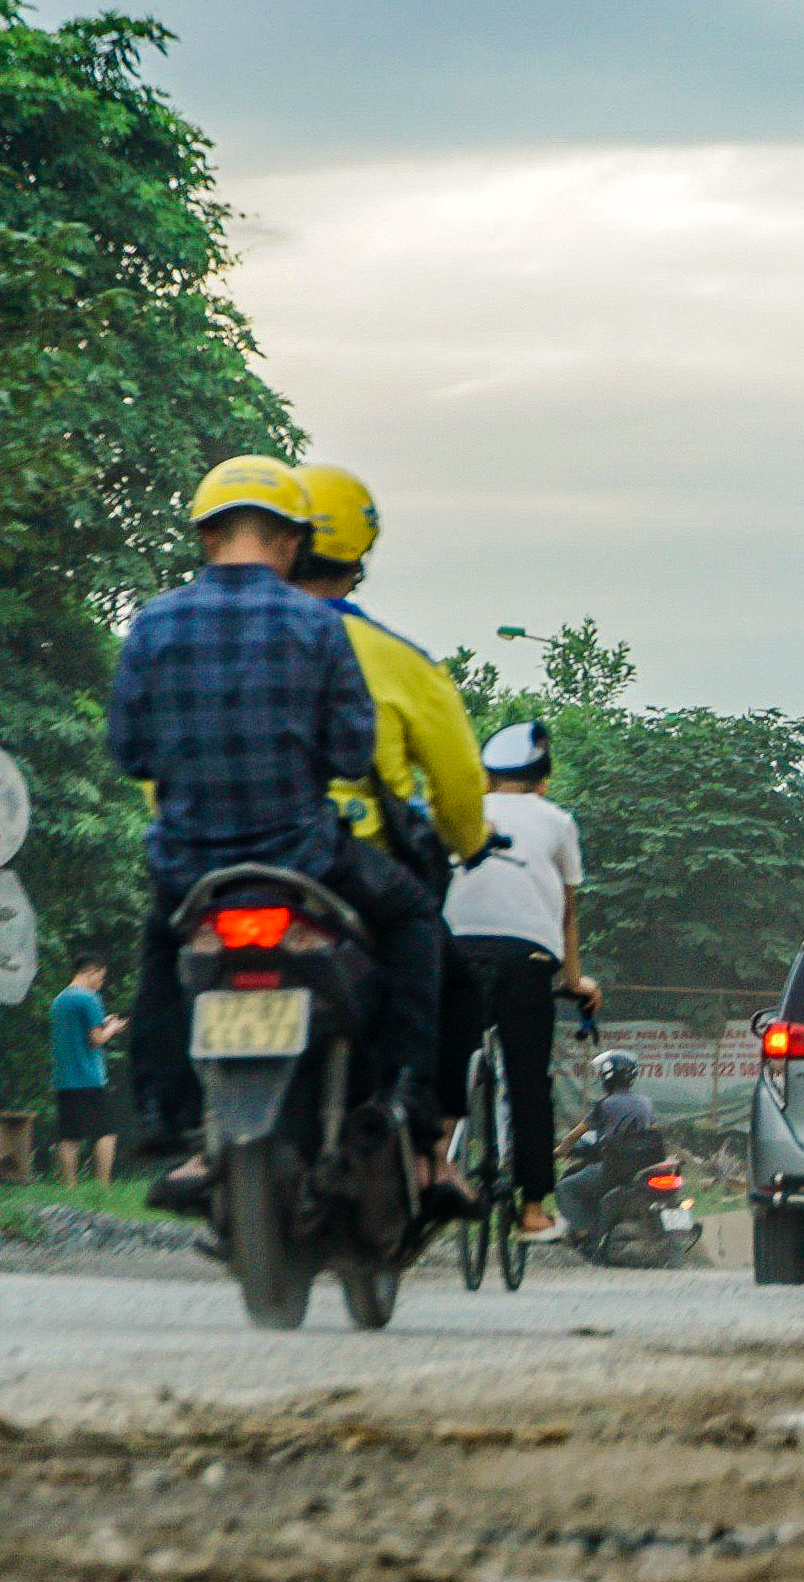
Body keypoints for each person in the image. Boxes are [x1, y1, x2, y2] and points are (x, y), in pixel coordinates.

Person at [108, 459, 442, 1209]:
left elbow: (129, 751)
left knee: (162, 949)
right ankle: (409, 1090)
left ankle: (165, 1112)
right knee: (414, 915)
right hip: (305, 859)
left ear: (204, 534)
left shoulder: (154, 624)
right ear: (291, 542)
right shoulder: (316, 624)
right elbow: (353, 750)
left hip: (190, 867)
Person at [289, 462, 491, 1208]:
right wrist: (466, 841)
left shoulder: (228, 641)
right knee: (455, 982)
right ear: (357, 557)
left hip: (229, 852)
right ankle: (429, 1149)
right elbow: (460, 788)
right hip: (355, 863)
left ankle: (182, 1125)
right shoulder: (400, 661)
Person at [445, 719, 603, 1239]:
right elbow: (568, 911)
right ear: (543, 782)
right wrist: (576, 980)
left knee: (444, 1067)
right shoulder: (558, 821)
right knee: (528, 1082)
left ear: (487, 779)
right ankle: (533, 1211)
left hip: (456, 953)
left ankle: (430, 1171)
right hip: (528, 961)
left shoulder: (462, 813)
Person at [555, 1049, 657, 1238]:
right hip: (644, 1168)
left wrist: (560, 1150)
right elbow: (654, 1130)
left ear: (607, 1078)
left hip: (614, 1168)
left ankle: (585, 1235)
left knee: (564, 1188)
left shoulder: (604, 1105)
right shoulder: (646, 1103)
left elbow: (576, 1133)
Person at [48, 955, 127, 1187]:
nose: (100, 983)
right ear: (92, 972)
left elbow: (75, 1033)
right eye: (101, 978)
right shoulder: (89, 998)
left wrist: (102, 1021)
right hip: (88, 1077)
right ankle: (103, 1185)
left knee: (69, 1137)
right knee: (106, 1132)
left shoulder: (60, 1000)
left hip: (64, 1078)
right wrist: (111, 1028)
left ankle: (69, 1187)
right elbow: (96, 1039)